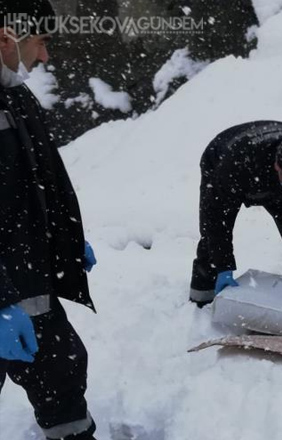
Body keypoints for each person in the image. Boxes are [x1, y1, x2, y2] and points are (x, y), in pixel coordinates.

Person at [0, 2, 99, 439]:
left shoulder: (14, 95)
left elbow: (45, 180)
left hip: (25, 279)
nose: (44, 57)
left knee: (61, 368)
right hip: (7, 288)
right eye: (41, 43)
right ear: (7, 37)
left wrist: (67, 241)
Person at [190, 120, 282, 305]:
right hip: (226, 157)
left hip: (271, 173)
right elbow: (217, 219)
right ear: (278, 167)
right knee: (213, 240)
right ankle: (202, 300)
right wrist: (222, 267)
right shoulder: (238, 163)